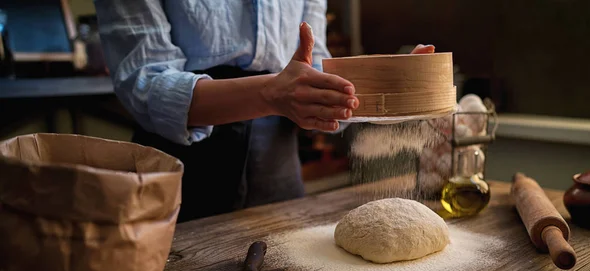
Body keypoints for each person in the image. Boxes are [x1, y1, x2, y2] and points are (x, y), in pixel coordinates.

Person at [94, 1, 434, 222]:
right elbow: (145, 83)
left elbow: (316, 68)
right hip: (181, 173)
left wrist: (390, 82)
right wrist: (272, 94)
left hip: (278, 167)